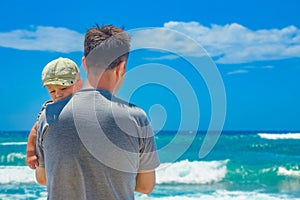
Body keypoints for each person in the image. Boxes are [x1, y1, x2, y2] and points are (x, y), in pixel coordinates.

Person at [35, 24, 160, 199]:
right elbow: (145, 186)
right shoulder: (136, 118)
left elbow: (43, 178)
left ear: (84, 64)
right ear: (121, 67)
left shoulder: (49, 115)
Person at [25, 57, 82, 170]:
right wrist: (31, 153)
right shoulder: (48, 109)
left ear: (78, 85)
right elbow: (36, 130)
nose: (58, 94)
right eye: (52, 91)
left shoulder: (83, 104)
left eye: (63, 88)